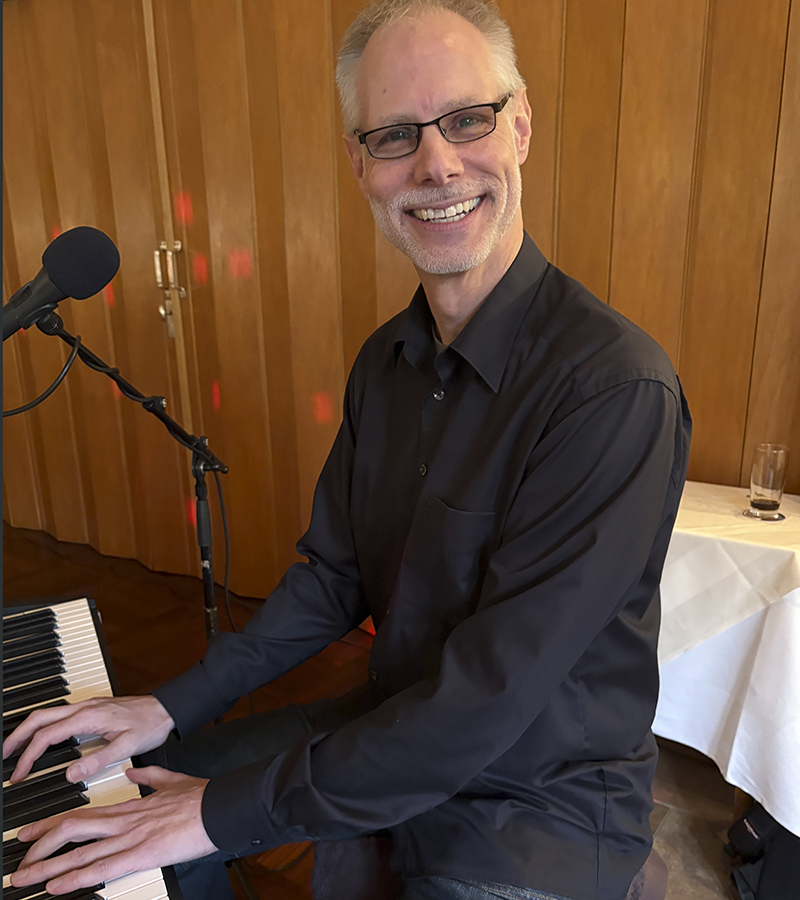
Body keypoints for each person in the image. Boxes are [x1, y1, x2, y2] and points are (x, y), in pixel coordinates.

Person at [4, 2, 691, 899]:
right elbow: (331, 577)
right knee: (129, 800)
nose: (436, 164)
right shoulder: (386, 361)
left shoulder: (614, 388)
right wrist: (171, 705)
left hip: (534, 802)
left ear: (519, 127)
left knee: (195, 820)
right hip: (388, 719)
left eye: (467, 119)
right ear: (361, 165)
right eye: (395, 135)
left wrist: (218, 811)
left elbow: (490, 695)